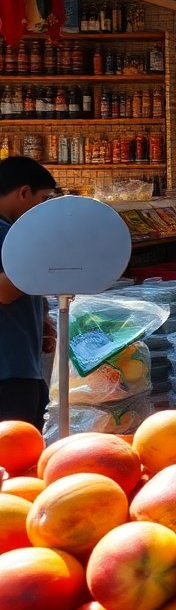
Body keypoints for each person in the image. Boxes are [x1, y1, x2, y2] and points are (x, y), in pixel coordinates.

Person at [0, 157, 57, 428]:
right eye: (43, 199)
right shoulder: (6, 235)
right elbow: (5, 291)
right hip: (8, 370)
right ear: (24, 192)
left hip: (21, 363)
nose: (43, 209)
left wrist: (43, 320)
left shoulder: (12, 232)